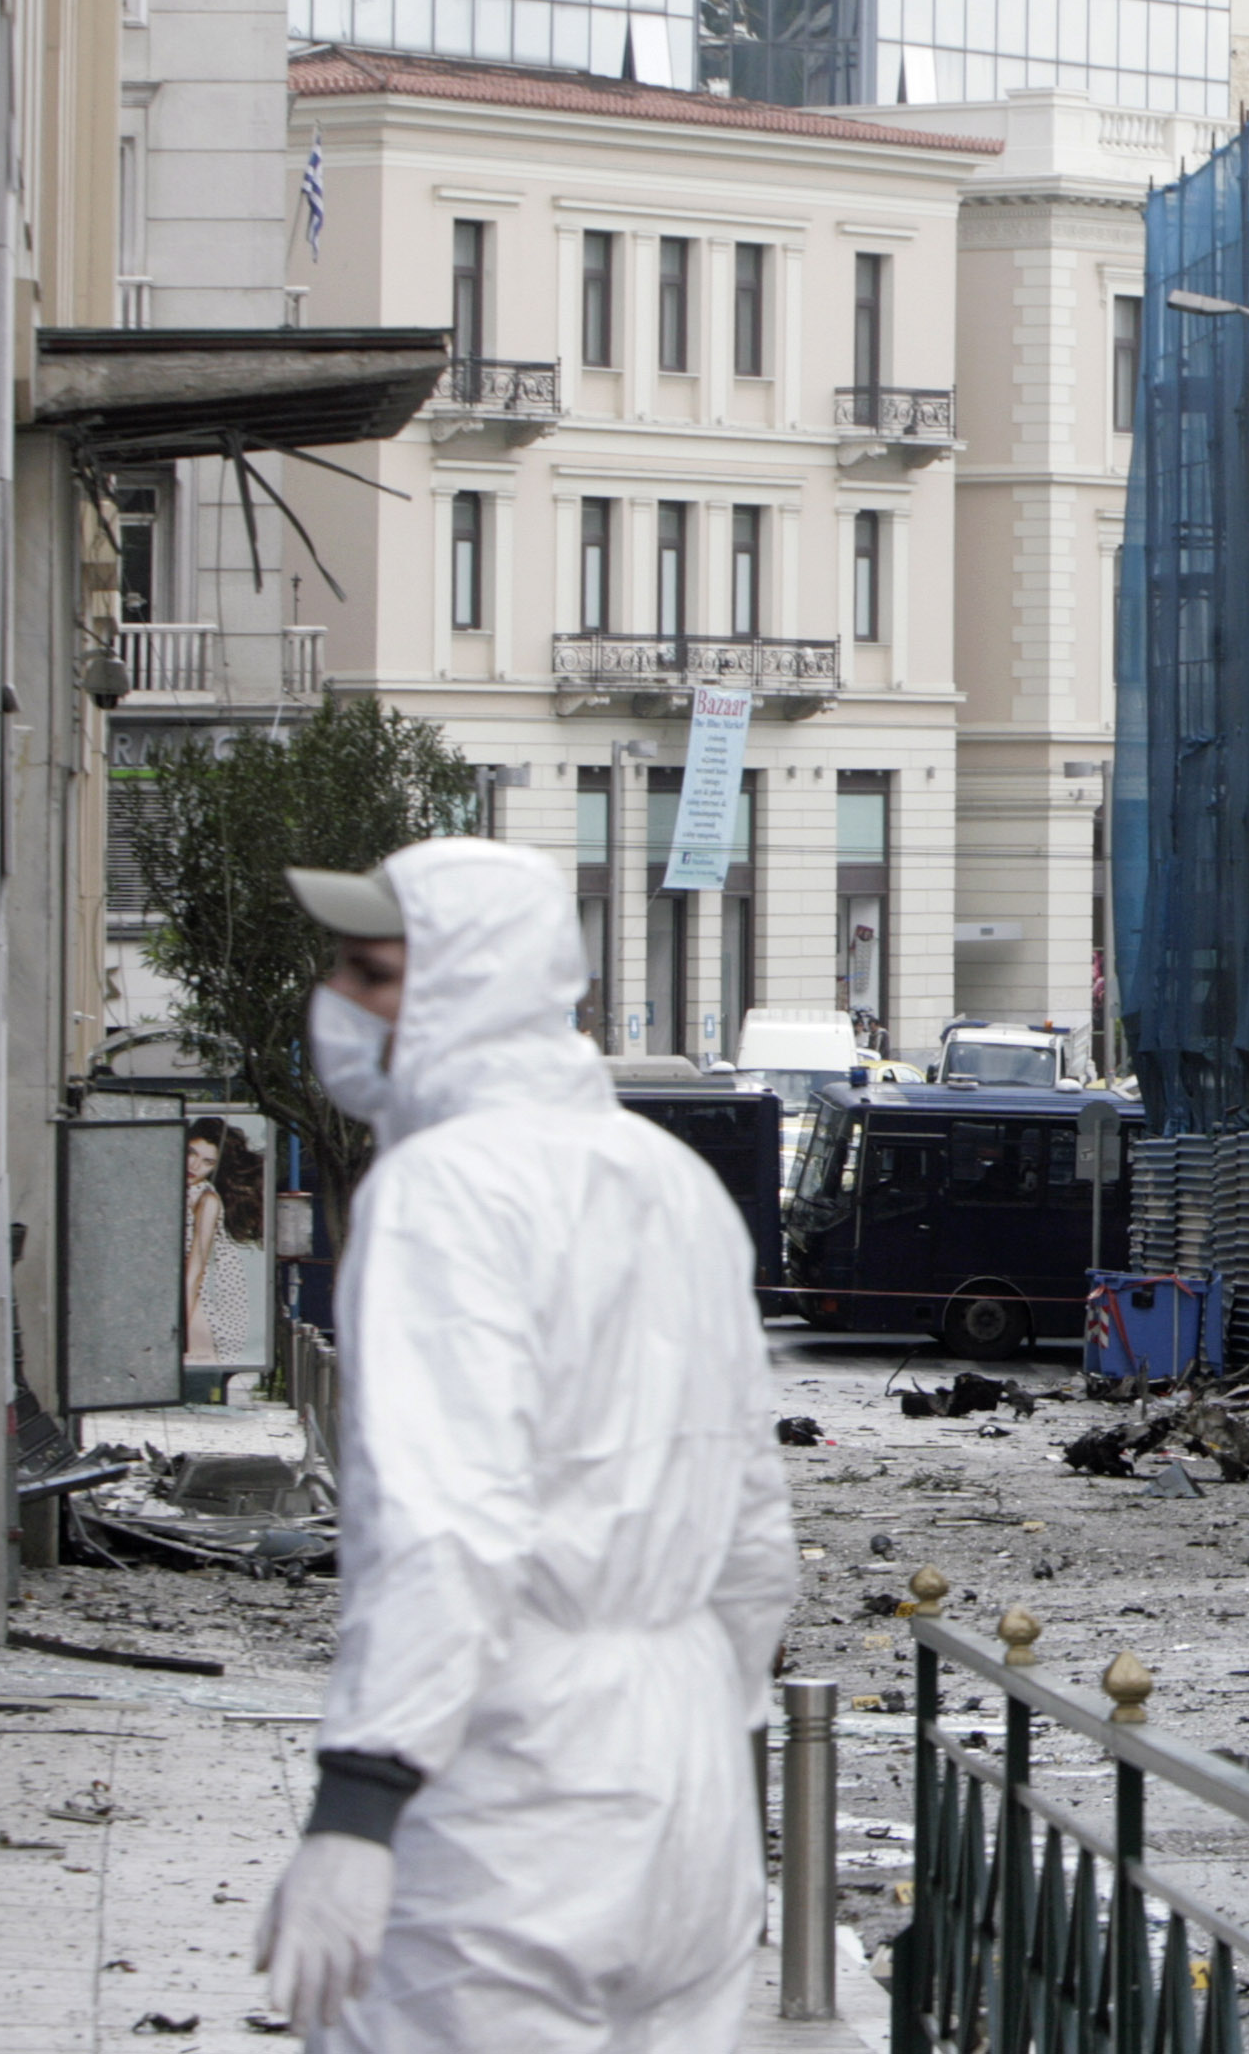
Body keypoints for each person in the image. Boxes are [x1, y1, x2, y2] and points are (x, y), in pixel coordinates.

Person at [253, 838, 797, 2049]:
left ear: (468, 982)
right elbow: (756, 1531)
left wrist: (359, 1803)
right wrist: (707, 1716)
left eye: (372, 972)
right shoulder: (672, 1185)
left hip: (515, 1780)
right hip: (689, 1770)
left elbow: (447, 1523)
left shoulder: (444, 1187)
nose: (338, 1002)